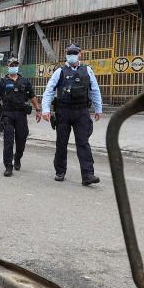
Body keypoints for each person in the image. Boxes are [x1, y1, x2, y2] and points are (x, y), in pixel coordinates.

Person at [41, 43, 103, 185]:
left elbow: (95, 90)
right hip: (63, 111)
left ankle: (88, 175)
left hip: (81, 112)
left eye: (74, 52)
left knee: (83, 143)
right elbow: (49, 90)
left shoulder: (87, 70)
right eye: (69, 53)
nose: (72, 55)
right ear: (65, 54)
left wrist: (98, 109)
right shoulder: (60, 71)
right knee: (61, 143)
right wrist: (46, 109)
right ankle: (60, 171)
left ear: (80, 53)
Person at [0, 57, 41, 176]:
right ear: (8, 67)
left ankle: (17, 157)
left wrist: (38, 110)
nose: (14, 67)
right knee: (8, 140)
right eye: (11, 65)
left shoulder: (24, 81)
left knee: (22, 138)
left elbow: (32, 96)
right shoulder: (2, 82)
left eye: (15, 65)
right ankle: (8, 165)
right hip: (7, 114)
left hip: (21, 114)